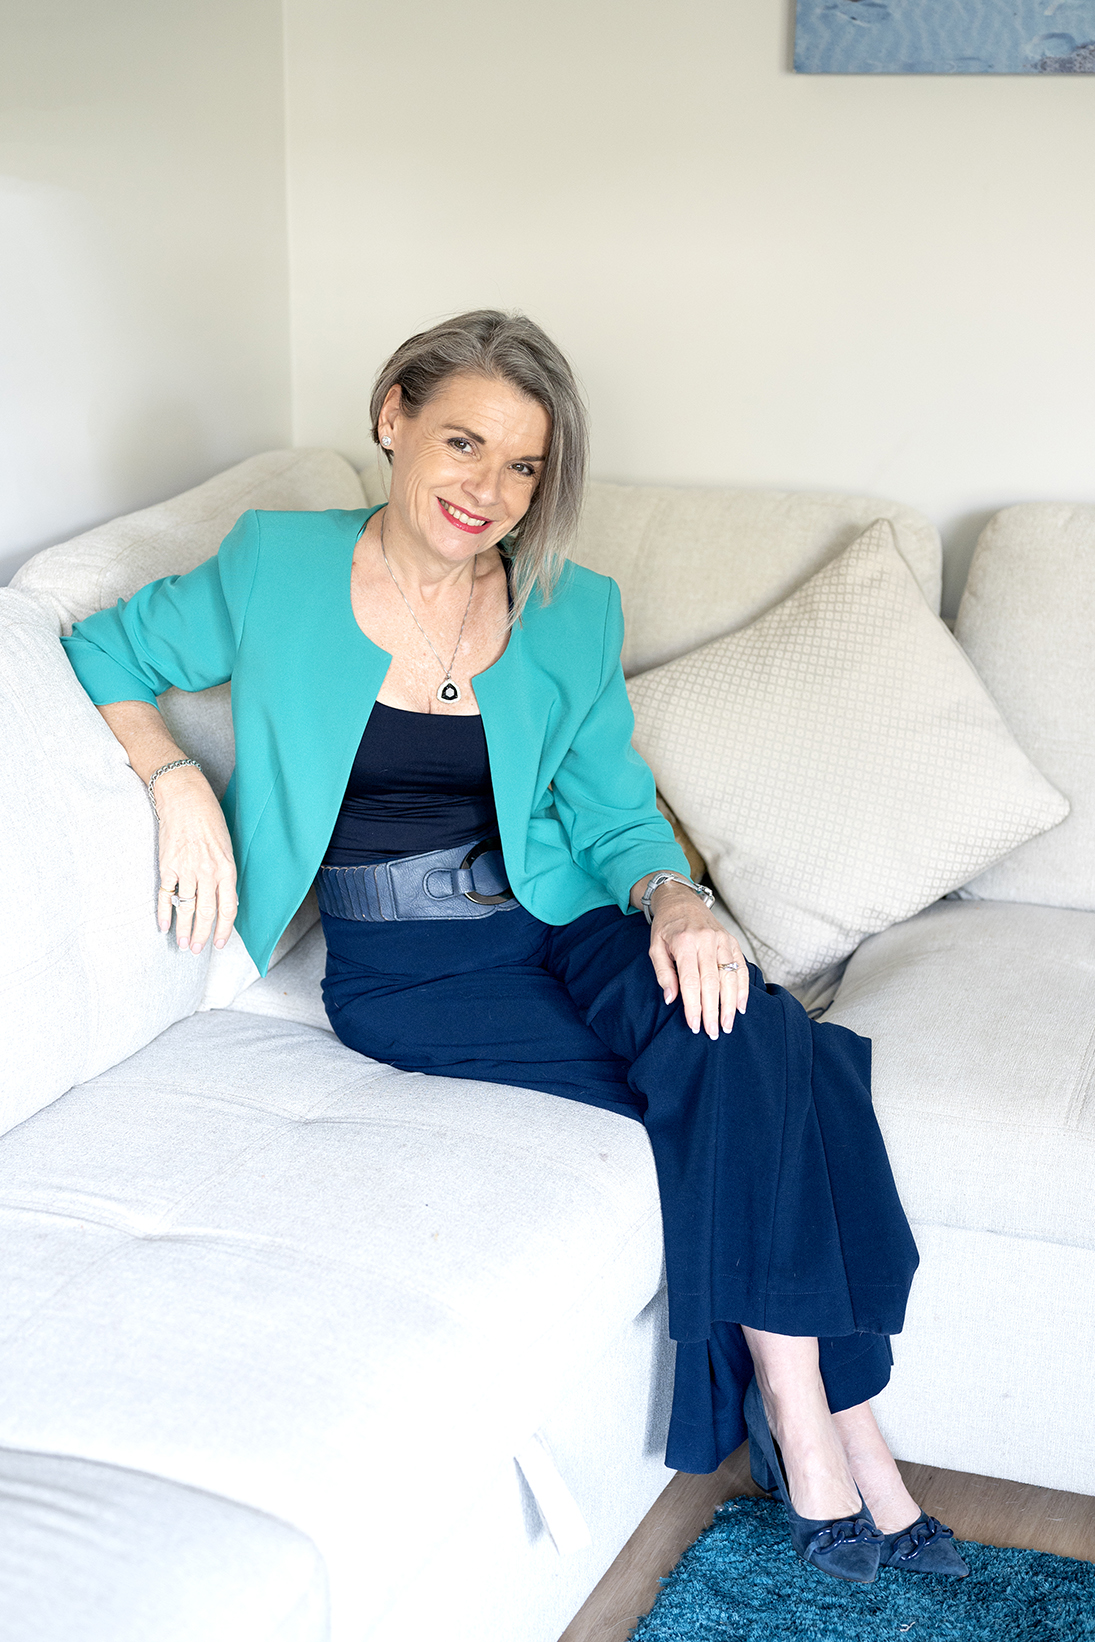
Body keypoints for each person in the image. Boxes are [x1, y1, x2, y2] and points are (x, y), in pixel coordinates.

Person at [62, 309, 966, 1584]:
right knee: (784, 1068)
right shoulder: (276, 565)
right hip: (413, 970)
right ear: (394, 418)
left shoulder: (567, 608)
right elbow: (102, 646)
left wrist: (673, 898)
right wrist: (174, 783)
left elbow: (609, 806)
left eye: (524, 465)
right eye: (463, 443)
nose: (488, 489)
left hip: (566, 916)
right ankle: (848, 1437)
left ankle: (805, 1413)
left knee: (748, 1035)